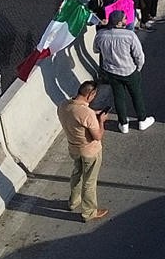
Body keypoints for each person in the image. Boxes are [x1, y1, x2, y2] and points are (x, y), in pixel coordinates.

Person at [57, 80, 108, 222]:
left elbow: (77, 119)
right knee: (89, 182)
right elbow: (97, 136)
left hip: (74, 148)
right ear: (90, 94)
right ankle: (89, 212)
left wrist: (93, 115)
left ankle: (73, 201)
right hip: (90, 151)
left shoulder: (63, 106)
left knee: (77, 174)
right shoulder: (87, 114)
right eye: (94, 95)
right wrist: (101, 121)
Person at [95, 13, 152, 131]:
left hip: (111, 71)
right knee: (136, 95)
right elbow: (139, 56)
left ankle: (123, 124)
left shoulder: (101, 35)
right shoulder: (129, 35)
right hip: (129, 70)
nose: (127, 20)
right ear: (119, 23)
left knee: (118, 96)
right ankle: (142, 120)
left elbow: (95, 50)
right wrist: (138, 68)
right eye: (124, 18)